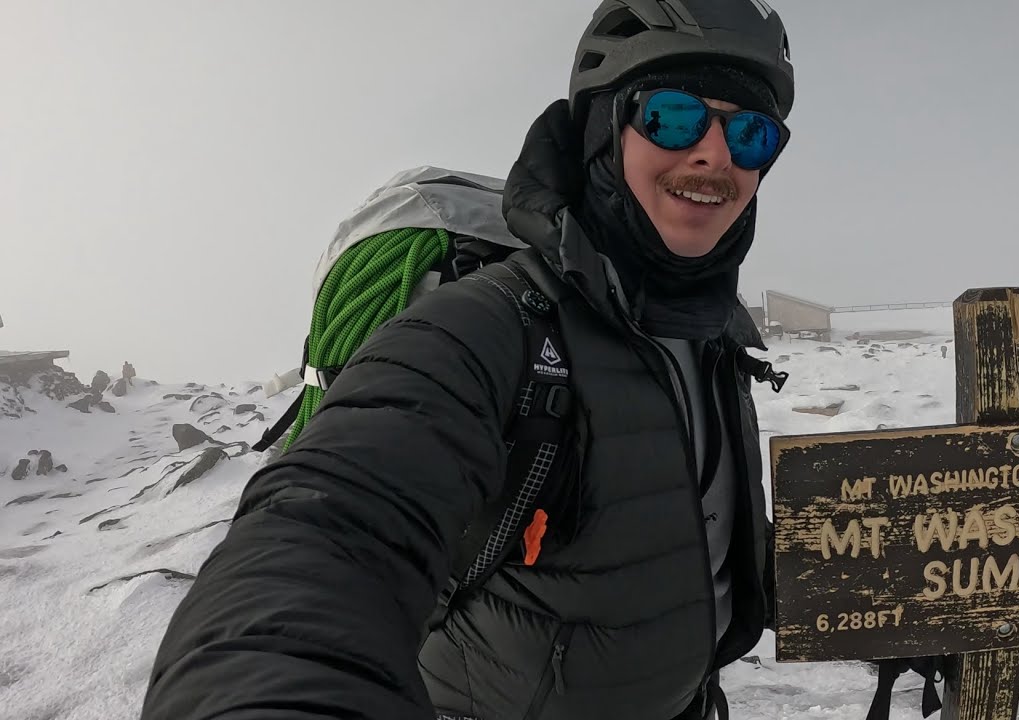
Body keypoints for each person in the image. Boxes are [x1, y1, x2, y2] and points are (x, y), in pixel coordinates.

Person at [140, 1, 795, 718]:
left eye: (751, 133)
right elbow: (324, 533)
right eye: (673, 116)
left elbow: (675, 525)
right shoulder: (491, 323)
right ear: (602, 132)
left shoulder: (713, 332)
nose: (715, 154)